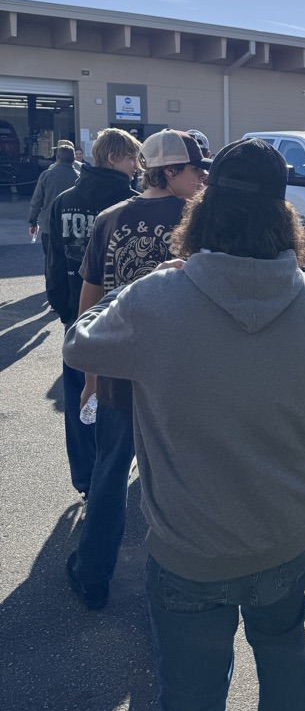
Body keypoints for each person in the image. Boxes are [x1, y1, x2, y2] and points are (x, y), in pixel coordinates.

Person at [63, 138, 305, 711]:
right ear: (284, 215)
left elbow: (78, 341)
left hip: (189, 547)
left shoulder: (157, 298)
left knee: (191, 702)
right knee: (284, 664)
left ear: (205, 209)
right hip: (286, 532)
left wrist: (137, 284)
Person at [66, 129, 210, 611]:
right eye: (195, 169)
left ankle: (92, 575)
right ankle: (176, 587)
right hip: (182, 375)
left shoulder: (110, 219)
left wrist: (90, 373)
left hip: (119, 371)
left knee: (109, 473)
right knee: (176, 483)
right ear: (169, 171)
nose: (202, 178)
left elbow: (89, 299)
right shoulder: (200, 220)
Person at [45, 128, 141, 498]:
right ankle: (113, 473)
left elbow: (52, 260)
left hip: (76, 318)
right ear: (114, 158)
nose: (136, 167)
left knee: (79, 402)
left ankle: (85, 478)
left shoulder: (64, 201)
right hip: (123, 320)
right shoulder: (131, 204)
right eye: (132, 158)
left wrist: (65, 309)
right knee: (122, 403)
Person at [28, 142, 79, 256]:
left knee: (50, 261)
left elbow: (36, 201)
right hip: (72, 227)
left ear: (57, 158)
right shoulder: (79, 177)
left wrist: (33, 222)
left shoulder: (46, 175)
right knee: (71, 261)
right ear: (74, 158)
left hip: (49, 226)